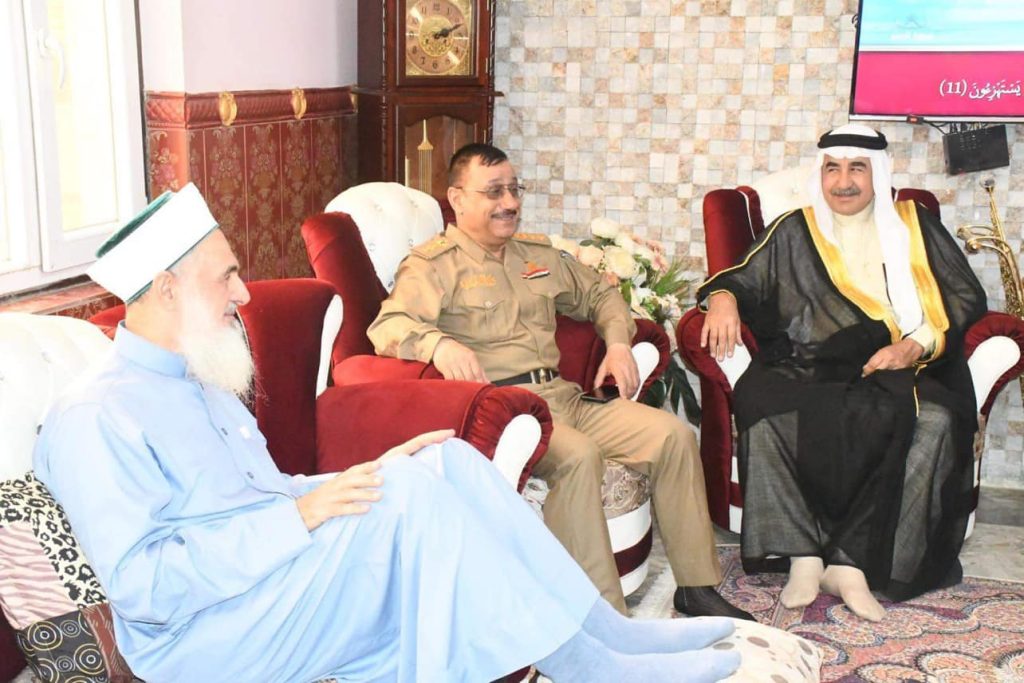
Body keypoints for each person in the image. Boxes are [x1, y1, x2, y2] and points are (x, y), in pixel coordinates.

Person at [33, 183, 742, 683]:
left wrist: (350, 479)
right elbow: (147, 586)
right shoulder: (98, 416)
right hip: (209, 633)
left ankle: (608, 634)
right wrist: (300, 517)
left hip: (271, 578)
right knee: (414, 499)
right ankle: (588, 665)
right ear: (167, 289)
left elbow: (264, 493)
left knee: (447, 462)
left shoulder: (197, 376)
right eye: (228, 277)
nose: (243, 294)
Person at [368, 143, 752, 621]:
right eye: (494, 192)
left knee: (673, 435)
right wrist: (439, 346)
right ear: (458, 198)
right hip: (509, 412)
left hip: (565, 397)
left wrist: (617, 343)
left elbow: (601, 296)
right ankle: (603, 617)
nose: (510, 202)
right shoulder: (434, 266)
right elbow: (388, 326)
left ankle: (696, 586)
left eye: (514, 189)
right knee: (579, 457)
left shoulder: (536, 254)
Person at [697, 124, 987, 622]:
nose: (844, 181)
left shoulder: (913, 225)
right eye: (833, 168)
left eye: (857, 168)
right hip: (809, 361)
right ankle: (804, 556)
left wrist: (913, 345)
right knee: (762, 404)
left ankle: (850, 565)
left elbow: (965, 296)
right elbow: (744, 277)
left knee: (934, 420)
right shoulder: (796, 228)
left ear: (878, 174)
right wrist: (722, 298)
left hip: (897, 361)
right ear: (821, 173)